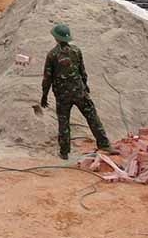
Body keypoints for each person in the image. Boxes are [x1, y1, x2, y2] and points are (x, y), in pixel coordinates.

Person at [41, 23, 115, 160]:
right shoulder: (76, 51)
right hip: (79, 92)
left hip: (63, 96)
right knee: (92, 116)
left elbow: (47, 78)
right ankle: (104, 144)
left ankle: (64, 152)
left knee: (64, 122)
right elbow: (83, 72)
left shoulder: (52, 55)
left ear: (56, 38)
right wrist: (85, 86)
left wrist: (44, 95)